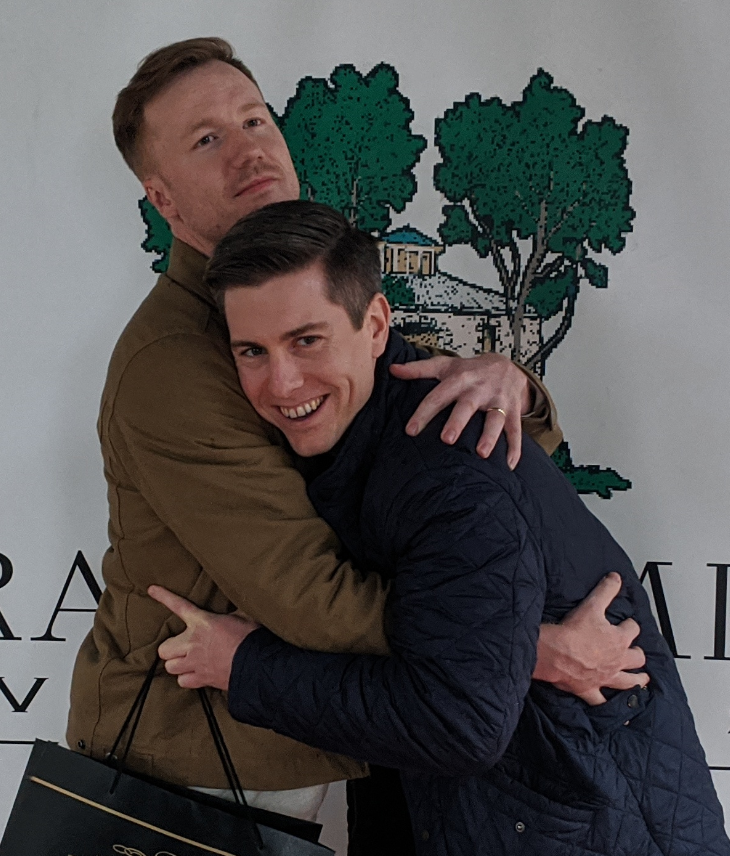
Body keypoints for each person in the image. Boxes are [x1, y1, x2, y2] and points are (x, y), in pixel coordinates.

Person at [67, 37, 647, 832]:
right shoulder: (175, 363)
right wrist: (525, 648)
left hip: (284, 731)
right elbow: (307, 594)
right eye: (206, 140)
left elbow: (433, 433)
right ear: (161, 200)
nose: (249, 152)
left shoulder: (294, 283)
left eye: (254, 120)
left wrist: (512, 388)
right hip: (193, 757)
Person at [150, 199, 729, 855]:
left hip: (585, 821)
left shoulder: (446, 472)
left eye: (306, 340)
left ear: (375, 325)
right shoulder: (357, 429)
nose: (282, 383)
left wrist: (247, 669)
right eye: (252, 351)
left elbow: (459, 720)